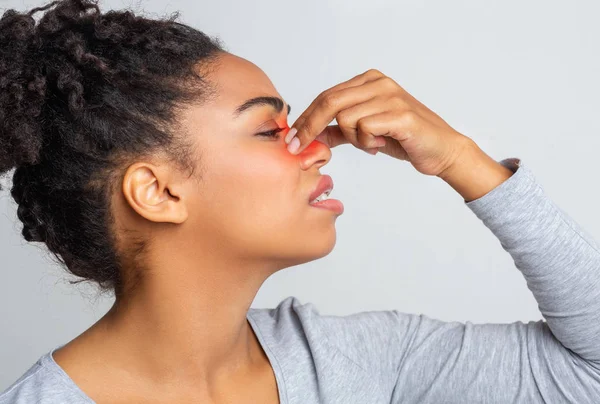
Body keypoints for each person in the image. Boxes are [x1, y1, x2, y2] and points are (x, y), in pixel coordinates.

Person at [1, 0, 599, 403]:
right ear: (158, 192)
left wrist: (461, 160)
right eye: (269, 131)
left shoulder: (351, 363)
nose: (316, 149)